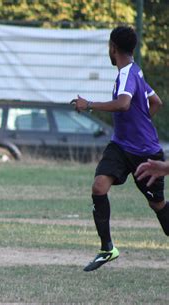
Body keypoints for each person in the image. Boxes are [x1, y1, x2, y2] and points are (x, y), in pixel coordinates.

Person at [72, 26, 169, 272]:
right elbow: (156, 102)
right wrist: (140, 123)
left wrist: (89, 104)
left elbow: (124, 104)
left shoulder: (128, 73)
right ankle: (107, 248)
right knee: (99, 186)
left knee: (157, 205)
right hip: (120, 146)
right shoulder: (135, 71)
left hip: (145, 153)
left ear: (112, 48)